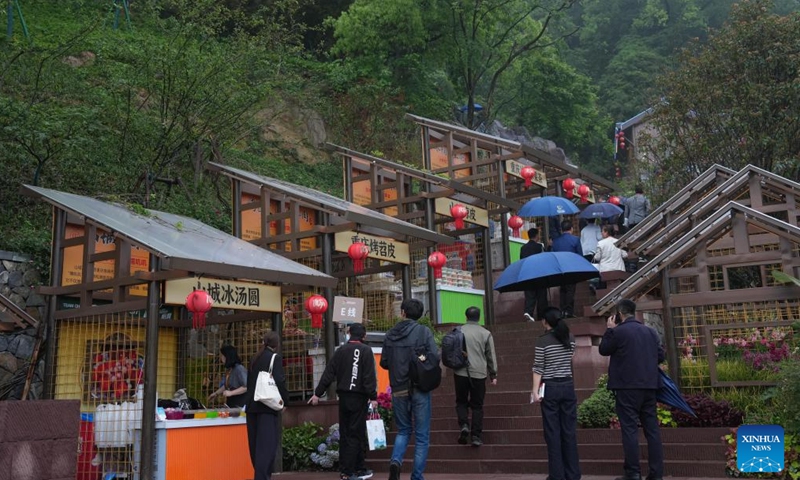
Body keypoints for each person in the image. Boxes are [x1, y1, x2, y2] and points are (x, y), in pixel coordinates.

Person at [599, 299, 665, 480]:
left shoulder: (617, 332)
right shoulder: (650, 332)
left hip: (626, 388)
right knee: (652, 430)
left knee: (629, 429)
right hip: (650, 386)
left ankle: (633, 472)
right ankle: (656, 473)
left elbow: (604, 350)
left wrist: (609, 329)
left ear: (619, 314)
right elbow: (660, 355)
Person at [308, 323, 378, 480]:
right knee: (356, 433)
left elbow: (329, 372)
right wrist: (373, 397)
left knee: (346, 433)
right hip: (359, 397)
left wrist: (317, 393)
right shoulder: (366, 351)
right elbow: (369, 377)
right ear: (364, 336)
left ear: (349, 333)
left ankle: (356, 468)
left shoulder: (341, 351)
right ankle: (349, 471)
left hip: (344, 397)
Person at [381, 298, 439, 480]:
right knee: (422, 436)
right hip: (419, 388)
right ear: (420, 314)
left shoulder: (390, 334)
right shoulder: (423, 331)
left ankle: (396, 461)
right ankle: (416, 476)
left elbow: (384, 362)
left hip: (398, 389)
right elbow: (435, 358)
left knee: (404, 430)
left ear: (403, 313)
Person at [532, 307, 580, 480]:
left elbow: (538, 367)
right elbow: (570, 357)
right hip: (568, 386)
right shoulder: (570, 338)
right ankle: (573, 474)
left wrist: (535, 391)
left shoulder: (542, 341)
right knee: (569, 431)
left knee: (552, 433)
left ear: (545, 321)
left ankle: (557, 475)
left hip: (550, 388)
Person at [245, 331, 289, 480]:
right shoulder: (274, 358)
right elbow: (280, 381)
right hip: (266, 407)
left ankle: (259, 474)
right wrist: (285, 401)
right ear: (277, 345)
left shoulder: (255, 358)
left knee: (255, 446)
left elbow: (249, 383)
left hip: (251, 406)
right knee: (267, 447)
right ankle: (262, 477)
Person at [453, 306, 498, 447]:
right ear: (479, 318)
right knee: (477, 405)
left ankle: (464, 424)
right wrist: (493, 374)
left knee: (461, 401)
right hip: (479, 373)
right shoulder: (485, 333)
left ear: (466, 317)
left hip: (460, 372)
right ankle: (476, 436)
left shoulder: (458, 331)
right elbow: (491, 355)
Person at [551, 220, 583, 318]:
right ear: (571, 229)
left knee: (563, 290)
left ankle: (562, 310)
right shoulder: (576, 240)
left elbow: (552, 255)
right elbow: (580, 255)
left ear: (561, 229)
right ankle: (568, 311)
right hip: (571, 268)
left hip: (560, 269)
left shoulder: (556, 241)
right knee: (570, 290)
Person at [520, 227, 548, 321]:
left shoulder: (523, 248)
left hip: (527, 275)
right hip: (539, 274)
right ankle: (542, 316)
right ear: (537, 236)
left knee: (529, 296)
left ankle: (528, 312)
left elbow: (521, 261)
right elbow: (544, 259)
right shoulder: (540, 246)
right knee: (541, 296)